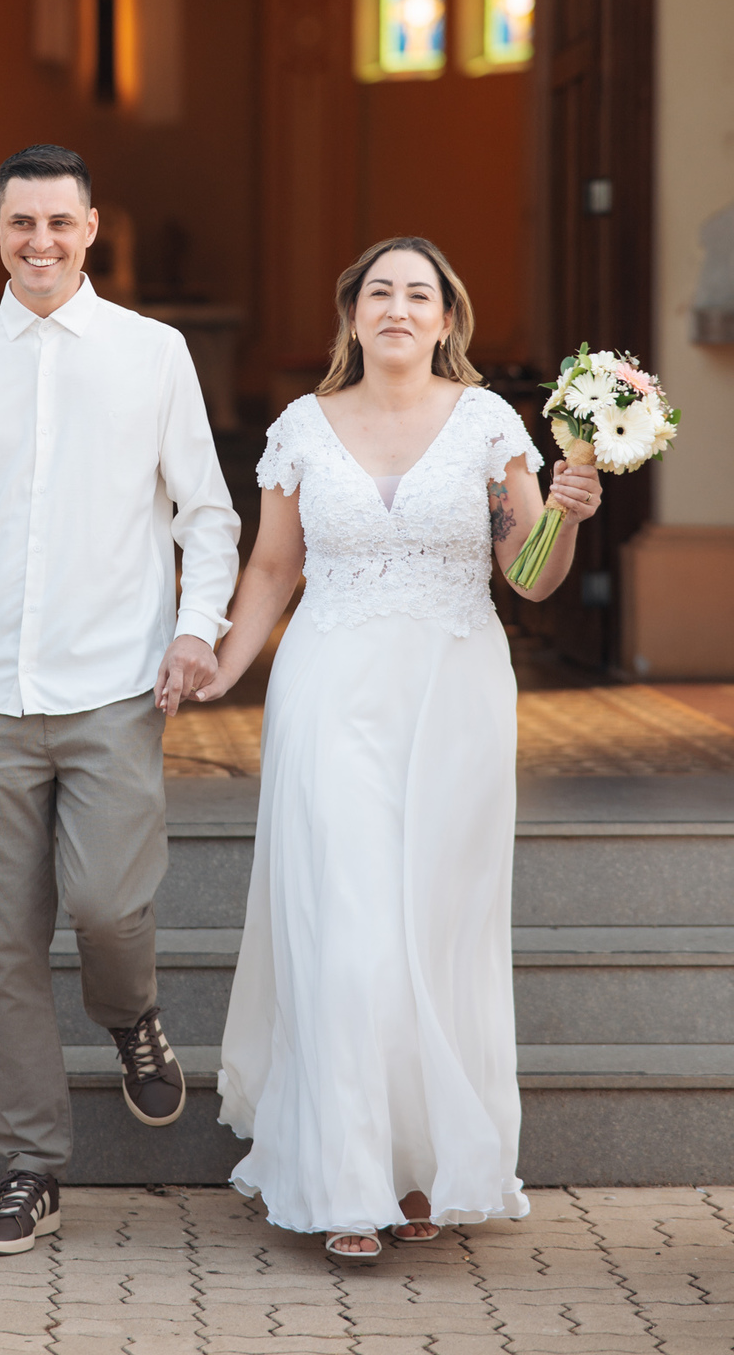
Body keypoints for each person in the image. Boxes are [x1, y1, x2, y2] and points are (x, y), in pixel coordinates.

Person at [203, 237, 602, 1259]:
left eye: (417, 293)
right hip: (330, 687)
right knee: (348, 921)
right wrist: (220, 663)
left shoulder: (486, 427)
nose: (396, 306)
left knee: (433, 929)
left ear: (445, 319)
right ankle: (346, 1181)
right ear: (352, 316)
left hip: (454, 690)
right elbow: (272, 569)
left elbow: (531, 576)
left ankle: (420, 1171)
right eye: (378, 291)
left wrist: (564, 510)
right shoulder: (302, 426)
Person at [0, 145, 241, 1255]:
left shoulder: (153, 354)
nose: (41, 242)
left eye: (62, 224)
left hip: (112, 691)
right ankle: (31, 1165)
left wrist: (196, 629)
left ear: (93, 230)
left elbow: (209, 515)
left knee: (104, 907)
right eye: (22, 223)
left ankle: (132, 1014)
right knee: (1, 944)